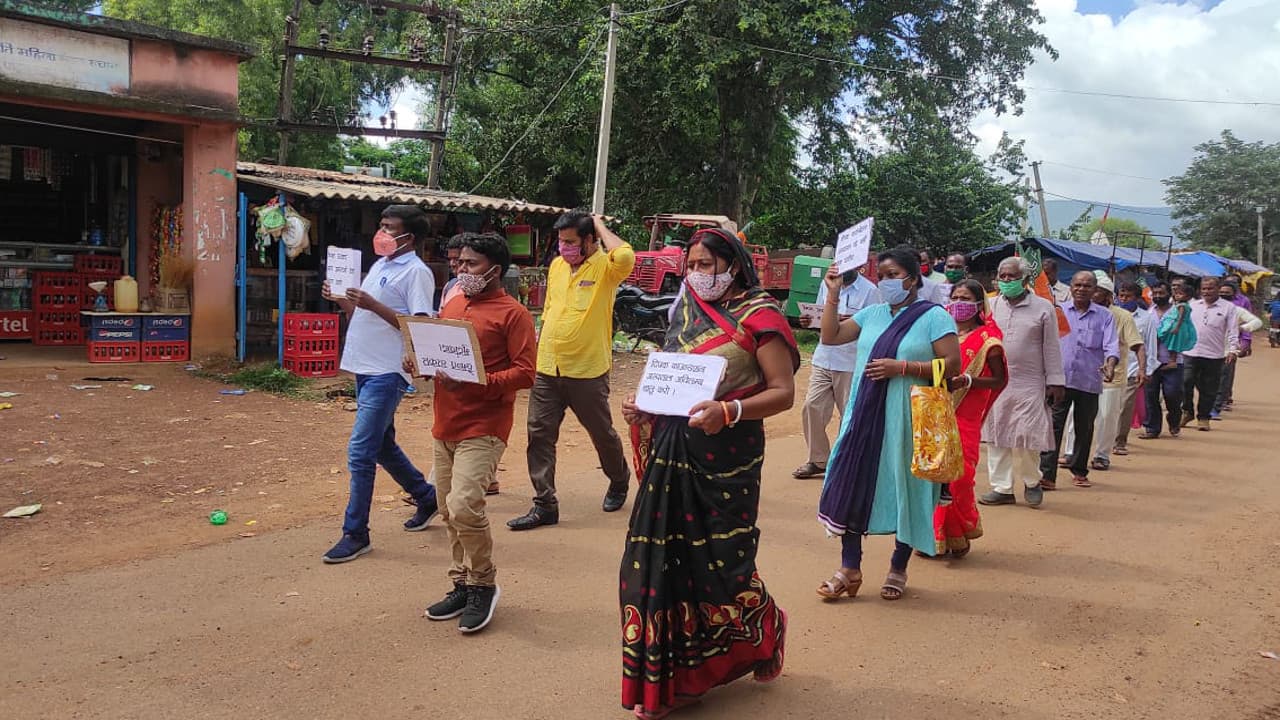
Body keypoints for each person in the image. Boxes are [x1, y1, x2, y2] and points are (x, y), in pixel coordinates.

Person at [618, 228, 799, 720]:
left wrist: (731, 411)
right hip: (673, 448)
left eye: (707, 265)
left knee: (721, 566)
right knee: (656, 568)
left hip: (727, 457)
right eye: (691, 264)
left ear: (734, 267)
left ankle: (763, 626)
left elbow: (783, 391)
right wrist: (645, 406)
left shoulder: (761, 315)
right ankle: (679, 680)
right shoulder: (684, 310)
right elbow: (673, 376)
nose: (697, 274)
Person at [815, 246, 961, 602]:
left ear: (913, 279)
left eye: (894, 275)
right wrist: (832, 294)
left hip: (909, 419)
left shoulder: (934, 316)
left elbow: (953, 365)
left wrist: (905, 368)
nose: (886, 281)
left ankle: (898, 566)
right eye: (881, 275)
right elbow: (829, 337)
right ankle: (850, 568)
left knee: (905, 490)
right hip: (863, 413)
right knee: (851, 481)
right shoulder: (872, 313)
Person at [419, 233, 536, 634]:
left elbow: (525, 373)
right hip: (445, 423)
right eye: (458, 264)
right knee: (449, 509)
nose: (460, 270)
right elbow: (439, 352)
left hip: (485, 425)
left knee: (465, 504)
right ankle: (461, 583)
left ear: (495, 271)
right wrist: (418, 360)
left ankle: (483, 584)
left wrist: (474, 383)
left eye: (469, 264)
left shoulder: (514, 314)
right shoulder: (454, 302)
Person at [322, 205, 439, 564]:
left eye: (390, 228)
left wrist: (372, 304)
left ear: (410, 238)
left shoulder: (416, 273)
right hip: (363, 365)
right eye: (382, 226)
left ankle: (355, 533)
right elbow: (359, 316)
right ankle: (426, 496)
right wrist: (343, 299)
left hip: (388, 371)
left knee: (361, 451)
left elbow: (417, 328)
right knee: (382, 445)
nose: (382, 233)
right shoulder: (381, 266)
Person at [510, 212, 636, 530]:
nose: (563, 247)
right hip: (548, 365)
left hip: (587, 369)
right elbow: (551, 307)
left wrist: (599, 225)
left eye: (571, 241)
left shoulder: (607, 268)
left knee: (601, 433)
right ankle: (545, 504)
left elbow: (625, 254)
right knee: (539, 434)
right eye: (561, 241)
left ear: (590, 240)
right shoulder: (556, 267)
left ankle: (619, 479)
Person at [979, 257, 1064, 508]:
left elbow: (1051, 347)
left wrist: (1055, 380)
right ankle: (1002, 487)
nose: (1006, 280)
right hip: (996, 380)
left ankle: (1032, 481)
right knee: (996, 434)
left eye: (1011, 277)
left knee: (1029, 434)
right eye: (1002, 276)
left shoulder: (1043, 307)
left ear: (1025, 280)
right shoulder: (990, 305)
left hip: (1030, 380)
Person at [932, 279, 1006, 557]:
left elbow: (998, 379)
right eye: (955, 297)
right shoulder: (940, 333)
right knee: (933, 474)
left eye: (965, 298)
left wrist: (968, 380)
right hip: (936, 412)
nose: (959, 303)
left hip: (966, 413)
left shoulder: (989, 340)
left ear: (978, 306)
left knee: (960, 478)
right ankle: (935, 537)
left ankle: (961, 530)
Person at [793, 267, 881, 479]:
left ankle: (845, 462)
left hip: (851, 361)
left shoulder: (870, 291)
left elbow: (875, 325)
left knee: (848, 415)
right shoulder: (827, 283)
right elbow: (819, 318)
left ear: (860, 266)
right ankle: (818, 460)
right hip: (824, 357)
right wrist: (808, 321)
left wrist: (849, 321)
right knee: (811, 406)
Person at [1039, 271, 1119, 490]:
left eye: (1087, 286)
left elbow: (1111, 344)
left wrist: (1111, 364)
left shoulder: (1105, 316)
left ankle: (1079, 470)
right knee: (1052, 427)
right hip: (1059, 380)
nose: (1082, 289)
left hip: (1088, 380)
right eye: (1078, 285)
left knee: (1084, 428)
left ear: (1095, 290)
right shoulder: (1058, 312)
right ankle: (1047, 475)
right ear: (1071, 287)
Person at [1062, 272, 1142, 472]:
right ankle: (1071, 452)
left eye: (1098, 290)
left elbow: (1134, 344)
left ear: (1108, 295)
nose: (1093, 294)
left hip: (1111, 377)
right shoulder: (1065, 311)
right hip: (1078, 375)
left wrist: (1140, 368)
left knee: (1107, 416)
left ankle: (1101, 455)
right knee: (1075, 417)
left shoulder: (1120, 316)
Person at [1181, 276, 1239, 432]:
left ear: (1218, 289)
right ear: (1200, 290)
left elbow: (1233, 331)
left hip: (1214, 354)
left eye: (1210, 288)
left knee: (1209, 388)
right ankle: (1187, 411)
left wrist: (1233, 350)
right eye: (1204, 288)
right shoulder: (1192, 305)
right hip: (1190, 352)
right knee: (1185, 382)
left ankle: (1204, 417)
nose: (1206, 291)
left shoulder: (1228, 308)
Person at [1112, 281, 1158, 456]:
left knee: (1125, 407)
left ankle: (1120, 441)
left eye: (1128, 296)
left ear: (1137, 298)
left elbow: (1150, 346)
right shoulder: (1111, 315)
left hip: (1132, 369)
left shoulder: (1147, 319)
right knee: (1108, 408)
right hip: (1111, 369)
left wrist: (1146, 370)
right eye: (1121, 295)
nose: (1124, 299)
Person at [1138, 281, 1186, 439]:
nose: (1158, 296)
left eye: (1161, 293)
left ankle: (1174, 419)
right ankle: (1152, 428)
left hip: (1173, 361)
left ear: (1169, 294)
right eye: (1155, 293)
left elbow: (1182, 334)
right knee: (1150, 396)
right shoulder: (1148, 313)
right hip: (1151, 362)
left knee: (1172, 394)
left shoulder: (1177, 311)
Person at [1212, 280, 1252, 417]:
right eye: (1221, 292)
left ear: (1234, 294)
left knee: (1225, 375)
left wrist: (1245, 343)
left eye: (1227, 293)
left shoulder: (1240, 306)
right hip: (1210, 346)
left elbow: (1250, 323)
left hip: (1230, 346)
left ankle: (1218, 404)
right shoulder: (1209, 305)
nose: (1223, 295)